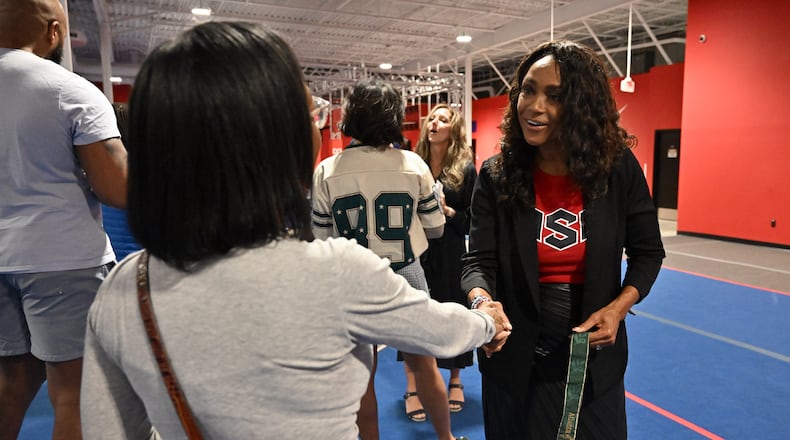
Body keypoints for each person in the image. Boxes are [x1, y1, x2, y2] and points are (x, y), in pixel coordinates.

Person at [78, 21, 510, 440]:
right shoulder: (335, 273)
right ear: (270, 137)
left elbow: (110, 429)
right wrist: (486, 322)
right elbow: (442, 328)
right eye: (310, 113)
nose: (319, 126)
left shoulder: (124, 288)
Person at [461, 40, 665, 439]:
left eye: (554, 96)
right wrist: (483, 303)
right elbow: (477, 262)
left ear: (580, 106)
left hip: (593, 359)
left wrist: (619, 308)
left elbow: (648, 252)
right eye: (528, 90)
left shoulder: (616, 169)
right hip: (514, 355)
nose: (534, 107)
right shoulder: (496, 174)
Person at [311, 79, 483, 440]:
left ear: (350, 116)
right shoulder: (413, 163)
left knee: (364, 374)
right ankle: (446, 437)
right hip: (405, 272)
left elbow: (322, 240)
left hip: (351, 276)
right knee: (425, 364)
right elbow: (435, 228)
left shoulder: (327, 170)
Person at [0, 0, 128, 438]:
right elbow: (116, 188)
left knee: (9, 386)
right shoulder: (69, 90)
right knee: (74, 395)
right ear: (53, 32)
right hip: (62, 261)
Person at [400, 104, 477, 416]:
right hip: (418, 250)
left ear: (452, 129)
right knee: (413, 316)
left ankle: (455, 379)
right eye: (431, 118)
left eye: (443, 119)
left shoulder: (466, 171)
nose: (434, 123)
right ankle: (412, 385)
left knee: (452, 314)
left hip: (451, 253)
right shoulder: (411, 165)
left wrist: (447, 211)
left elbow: (473, 221)